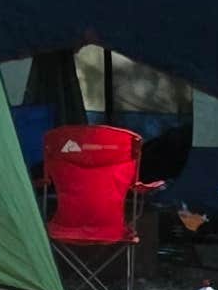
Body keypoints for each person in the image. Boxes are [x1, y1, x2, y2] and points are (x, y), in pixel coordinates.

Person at [41, 117, 157, 273]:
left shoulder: (57, 144)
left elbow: (43, 183)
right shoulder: (126, 147)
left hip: (65, 226)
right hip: (112, 229)